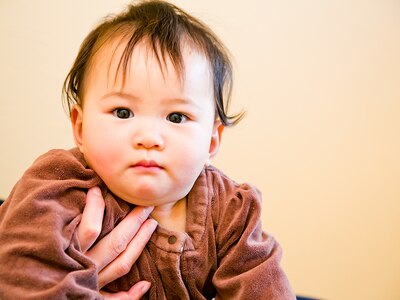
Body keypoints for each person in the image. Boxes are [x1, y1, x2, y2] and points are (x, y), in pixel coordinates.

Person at [0, 0, 295, 299]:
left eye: (176, 117)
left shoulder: (232, 210)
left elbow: (265, 288)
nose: (149, 137)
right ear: (80, 126)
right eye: (123, 112)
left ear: (211, 141)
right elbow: (19, 275)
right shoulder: (56, 186)